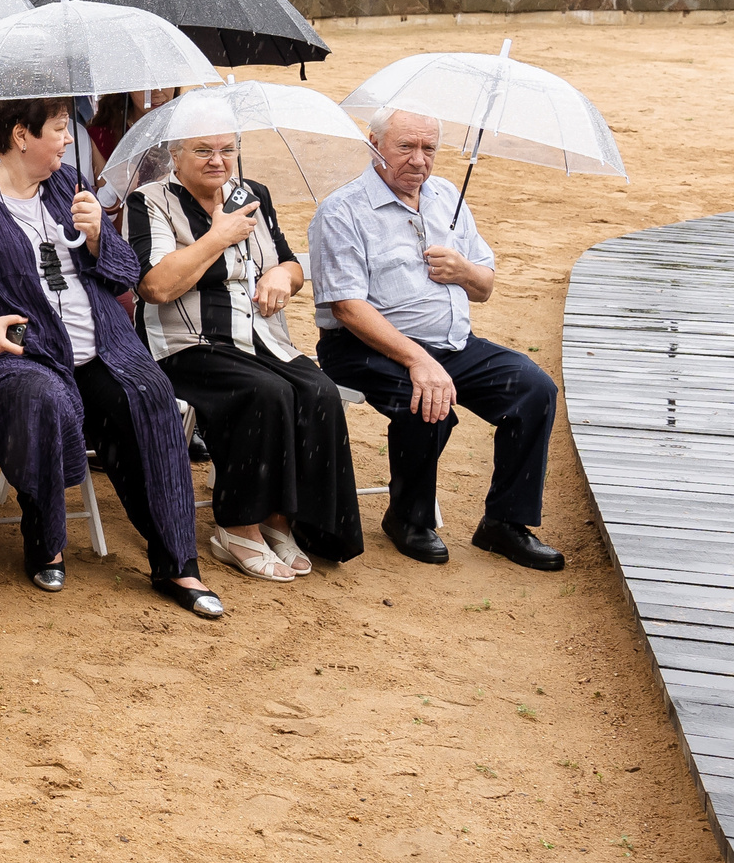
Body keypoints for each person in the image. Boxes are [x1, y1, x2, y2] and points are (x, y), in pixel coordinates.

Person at [0, 97, 223, 618]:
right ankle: (45, 538)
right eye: (58, 129)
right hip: (12, 353)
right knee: (40, 398)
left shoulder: (68, 183)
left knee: (150, 395)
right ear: (21, 135)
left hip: (100, 346)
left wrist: (97, 238)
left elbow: (123, 274)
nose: (69, 140)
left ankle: (177, 564)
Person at [310, 111, 561, 571]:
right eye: (406, 147)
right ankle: (408, 517)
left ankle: (504, 523)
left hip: (453, 344)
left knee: (533, 389)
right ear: (374, 145)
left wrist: (463, 270)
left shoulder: (447, 196)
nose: (419, 160)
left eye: (429, 149)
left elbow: (483, 287)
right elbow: (346, 306)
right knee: (425, 399)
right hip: (365, 347)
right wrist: (417, 359)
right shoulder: (343, 209)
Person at [128, 134, 361, 580]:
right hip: (185, 342)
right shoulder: (150, 201)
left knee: (318, 391)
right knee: (265, 392)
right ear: (175, 155)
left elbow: (291, 265)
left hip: (259, 337)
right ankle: (238, 528)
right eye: (202, 151)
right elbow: (155, 287)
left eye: (226, 150)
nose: (218, 161)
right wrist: (218, 237)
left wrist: (280, 275)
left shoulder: (252, 195)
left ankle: (282, 520)